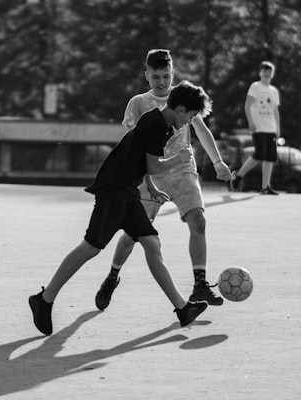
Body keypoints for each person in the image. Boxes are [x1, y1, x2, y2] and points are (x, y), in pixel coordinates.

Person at [28, 81, 214, 336]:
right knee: (91, 247)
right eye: (191, 117)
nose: (189, 122)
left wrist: (151, 185)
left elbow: (140, 161)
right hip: (115, 190)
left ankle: (183, 309)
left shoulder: (160, 123)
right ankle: (44, 299)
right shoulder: (156, 125)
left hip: (127, 190)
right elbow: (154, 165)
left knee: (151, 243)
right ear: (180, 109)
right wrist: (178, 159)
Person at [94, 49, 233, 312]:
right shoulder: (138, 103)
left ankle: (199, 284)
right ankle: (113, 276)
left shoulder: (182, 98)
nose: (161, 81)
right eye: (156, 76)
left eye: (166, 75)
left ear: (173, 73)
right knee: (132, 236)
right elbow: (135, 148)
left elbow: (201, 130)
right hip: (150, 174)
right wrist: (147, 183)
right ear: (146, 75)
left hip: (182, 170)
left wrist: (218, 162)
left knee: (199, 220)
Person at [230, 61, 282, 195]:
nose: (267, 73)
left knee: (270, 157)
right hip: (259, 126)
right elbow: (247, 105)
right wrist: (250, 122)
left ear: (272, 73)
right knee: (260, 154)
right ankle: (239, 175)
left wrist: (278, 128)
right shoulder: (255, 86)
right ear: (260, 72)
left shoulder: (274, 91)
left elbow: (275, 111)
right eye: (264, 70)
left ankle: (265, 187)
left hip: (271, 128)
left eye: (269, 71)